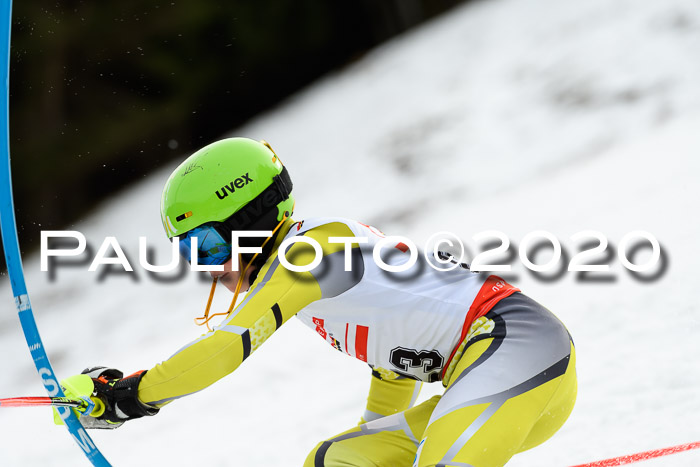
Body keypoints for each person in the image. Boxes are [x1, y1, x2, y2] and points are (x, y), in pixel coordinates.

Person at [64, 138, 577, 466]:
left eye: (208, 245)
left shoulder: (307, 254)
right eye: (189, 252)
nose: (207, 267)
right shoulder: (307, 268)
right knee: (336, 461)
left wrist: (132, 395)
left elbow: (226, 347)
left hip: (521, 351)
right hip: (501, 378)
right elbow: (396, 363)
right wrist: (372, 437)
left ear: (249, 220)